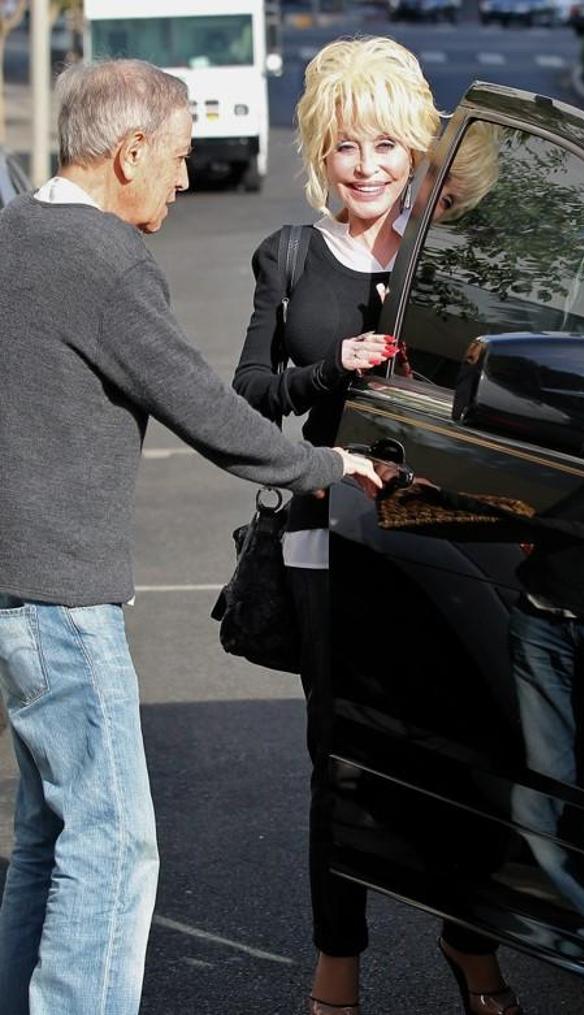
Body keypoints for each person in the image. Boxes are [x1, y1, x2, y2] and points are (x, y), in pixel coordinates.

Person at [0, 58, 380, 1015]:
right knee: (115, 844)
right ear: (128, 153)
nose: (181, 178)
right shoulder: (104, 259)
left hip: (15, 591)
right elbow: (208, 411)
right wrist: (328, 467)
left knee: (49, 836)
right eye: (174, 158)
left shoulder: (13, 231)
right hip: (60, 599)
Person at [233, 36, 522, 1015]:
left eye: (386, 146)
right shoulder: (290, 256)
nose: (365, 166)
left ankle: (471, 949)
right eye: (347, 146)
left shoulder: (445, 260)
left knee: (470, 751)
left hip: (446, 536)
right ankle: (336, 981)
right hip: (328, 538)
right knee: (340, 759)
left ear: (415, 153)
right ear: (320, 151)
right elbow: (248, 398)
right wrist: (333, 369)